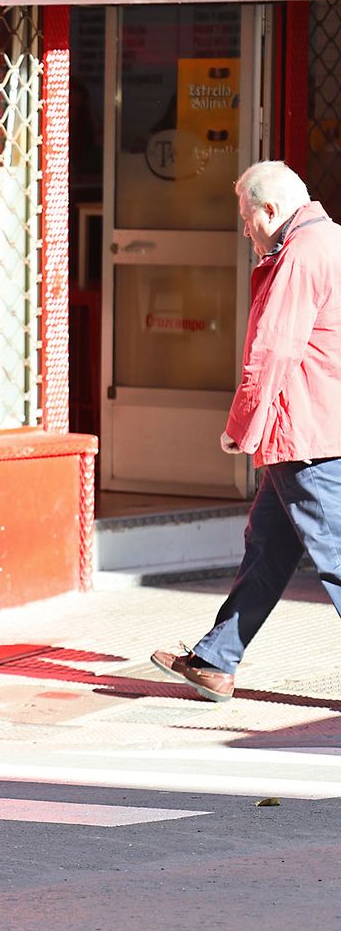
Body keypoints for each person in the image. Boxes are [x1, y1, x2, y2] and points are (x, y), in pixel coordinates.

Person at [151, 160, 341, 703]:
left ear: (271, 210)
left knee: (336, 557)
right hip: (321, 426)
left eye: (246, 216)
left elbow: (274, 349)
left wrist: (241, 426)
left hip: (304, 433)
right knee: (267, 548)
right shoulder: (333, 241)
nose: (244, 230)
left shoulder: (300, 255)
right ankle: (216, 659)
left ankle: (217, 658)